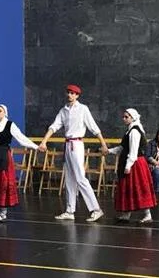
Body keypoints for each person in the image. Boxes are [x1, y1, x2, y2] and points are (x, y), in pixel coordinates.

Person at [37, 84, 109, 222]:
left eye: (72, 93)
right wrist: (44, 142)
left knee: (80, 177)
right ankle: (70, 211)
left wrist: (103, 144)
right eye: (68, 92)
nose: (70, 95)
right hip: (68, 144)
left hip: (77, 145)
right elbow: (54, 126)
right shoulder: (63, 110)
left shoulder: (83, 109)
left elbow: (94, 127)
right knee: (69, 178)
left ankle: (96, 209)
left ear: (77, 95)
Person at [108, 108, 156, 224]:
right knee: (128, 188)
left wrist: (128, 166)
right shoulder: (130, 130)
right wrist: (109, 151)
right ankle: (126, 214)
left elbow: (133, 152)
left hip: (135, 164)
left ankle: (147, 215)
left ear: (132, 118)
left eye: (126, 117)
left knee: (139, 188)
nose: (124, 119)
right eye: (123, 117)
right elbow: (123, 148)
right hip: (132, 162)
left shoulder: (134, 131)